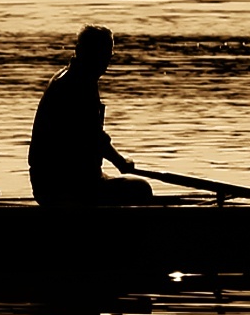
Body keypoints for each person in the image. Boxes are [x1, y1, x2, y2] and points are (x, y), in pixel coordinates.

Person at [27, 25, 156, 206]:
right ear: (82, 51)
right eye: (101, 54)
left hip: (69, 182)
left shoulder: (75, 77)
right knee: (141, 189)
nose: (105, 62)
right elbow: (92, 137)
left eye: (108, 56)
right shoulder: (76, 84)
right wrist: (120, 162)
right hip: (61, 187)